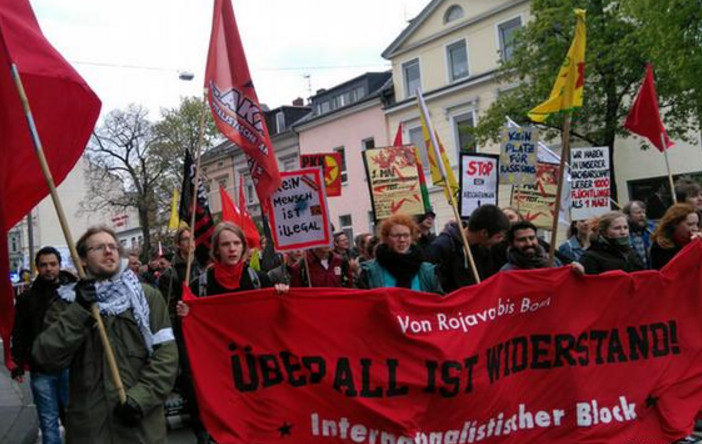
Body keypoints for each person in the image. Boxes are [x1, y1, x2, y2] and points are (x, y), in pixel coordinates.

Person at [32, 226, 178, 443]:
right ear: (82, 259)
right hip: (91, 430)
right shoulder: (66, 303)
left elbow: (166, 357)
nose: (108, 251)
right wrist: (79, 310)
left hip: (141, 430)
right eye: (99, 247)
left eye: (112, 246)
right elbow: (45, 356)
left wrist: (140, 399)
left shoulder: (146, 297)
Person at [11, 247, 76, 444]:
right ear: (38, 268)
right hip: (41, 368)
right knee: (48, 421)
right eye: (44, 265)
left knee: (74, 418)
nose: (49, 269)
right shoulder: (27, 298)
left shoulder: (73, 294)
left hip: (70, 365)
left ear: (59, 265)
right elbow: (20, 332)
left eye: (53, 264)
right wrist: (17, 363)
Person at [156, 227, 206, 443]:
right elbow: (166, 310)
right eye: (185, 239)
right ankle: (200, 427)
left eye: (192, 238)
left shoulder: (203, 268)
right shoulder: (170, 274)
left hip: (204, 334)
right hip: (183, 334)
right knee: (192, 381)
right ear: (178, 244)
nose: (191, 242)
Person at [186, 222, 288, 297]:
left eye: (237, 243)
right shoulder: (199, 286)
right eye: (225, 244)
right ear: (216, 249)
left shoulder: (261, 280)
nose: (232, 249)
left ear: (243, 247)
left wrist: (282, 294)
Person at [425, 204, 511, 293]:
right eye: (499, 237)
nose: (501, 240)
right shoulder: (442, 247)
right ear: (484, 233)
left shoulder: (483, 249)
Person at [357, 214, 442, 294]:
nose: (402, 240)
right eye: (396, 235)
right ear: (386, 238)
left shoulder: (427, 271)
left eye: (406, 235)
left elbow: (437, 300)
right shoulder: (370, 272)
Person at [501, 221, 584, 273]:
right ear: (511, 243)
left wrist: (577, 273)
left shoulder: (554, 261)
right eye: (522, 240)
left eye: (531, 238)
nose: (529, 243)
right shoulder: (508, 272)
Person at [579, 212, 645, 274]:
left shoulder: (632, 253)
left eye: (625, 227)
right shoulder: (590, 258)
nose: (623, 232)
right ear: (604, 232)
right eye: (617, 228)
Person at [650, 203, 700, 270]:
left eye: (697, 224)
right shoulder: (661, 246)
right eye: (690, 224)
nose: (696, 229)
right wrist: (692, 248)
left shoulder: (696, 240)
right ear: (675, 224)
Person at [290, 246, 355, 288]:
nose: (327, 242)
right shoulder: (301, 265)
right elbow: (297, 293)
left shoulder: (341, 261)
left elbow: (349, 287)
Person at [623, 200, 656, 269]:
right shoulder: (623, 234)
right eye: (638, 213)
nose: (642, 215)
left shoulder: (651, 229)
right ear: (627, 216)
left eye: (644, 212)